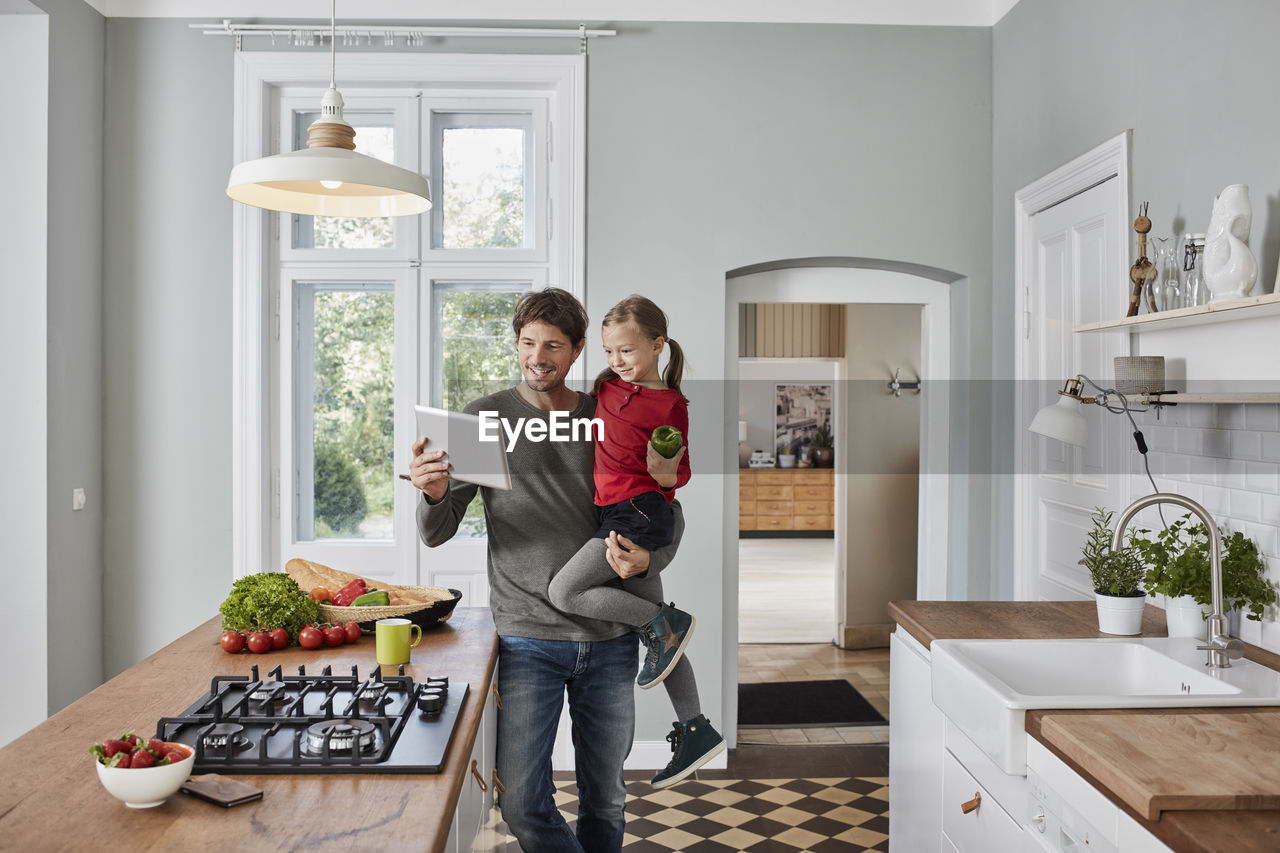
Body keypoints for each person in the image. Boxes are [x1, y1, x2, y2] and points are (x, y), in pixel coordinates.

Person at [410, 287, 684, 853]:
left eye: (553, 345)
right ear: (516, 345)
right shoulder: (483, 418)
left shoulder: (605, 413)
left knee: (605, 799)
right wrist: (435, 492)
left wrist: (652, 558)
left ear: (579, 350)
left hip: (609, 638)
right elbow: (436, 533)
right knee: (521, 800)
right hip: (525, 639)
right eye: (527, 343)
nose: (538, 356)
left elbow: (664, 508)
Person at [547, 295, 725, 789]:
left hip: (639, 512)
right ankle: (696, 729)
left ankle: (662, 621)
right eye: (608, 352)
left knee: (565, 591)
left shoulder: (669, 404)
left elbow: (676, 473)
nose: (617, 362)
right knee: (665, 644)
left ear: (657, 345)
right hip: (616, 511)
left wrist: (665, 469)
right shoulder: (607, 387)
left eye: (626, 351)